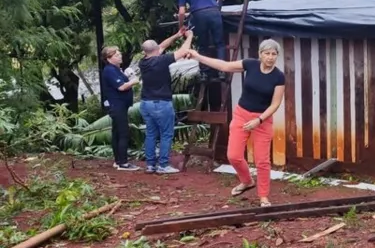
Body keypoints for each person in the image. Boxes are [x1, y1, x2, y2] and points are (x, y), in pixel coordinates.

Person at [186, 39, 285, 207]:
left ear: (277, 56)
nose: (270, 57)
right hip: (241, 114)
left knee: (262, 161)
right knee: (233, 155)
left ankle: (263, 196)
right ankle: (247, 181)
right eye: (266, 53)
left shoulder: (278, 76)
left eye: (273, 54)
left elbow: (275, 104)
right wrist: (197, 56)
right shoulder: (250, 65)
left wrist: (259, 120)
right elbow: (224, 66)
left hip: (262, 119)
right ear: (260, 54)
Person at [137, 28, 194, 174]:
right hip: (161, 103)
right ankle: (163, 165)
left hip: (146, 104)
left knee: (151, 134)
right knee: (166, 134)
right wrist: (189, 37)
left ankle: (150, 165)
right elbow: (183, 51)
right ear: (155, 50)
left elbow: (161, 46)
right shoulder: (162, 60)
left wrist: (177, 34)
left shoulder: (143, 62)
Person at [177, 0, 232, 81]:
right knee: (220, 43)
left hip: (198, 16)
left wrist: (181, 25)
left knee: (203, 45)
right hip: (214, 12)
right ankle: (221, 72)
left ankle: (204, 74)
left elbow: (182, 12)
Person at [100, 46, 141, 171]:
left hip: (121, 105)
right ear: (109, 58)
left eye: (119, 54)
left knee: (117, 132)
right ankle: (123, 162)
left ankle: (118, 161)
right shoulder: (109, 70)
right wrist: (134, 81)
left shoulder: (116, 69)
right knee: (123, 133)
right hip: (117, 105)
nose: (120, 56)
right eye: (116, 55)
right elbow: (121, 87)